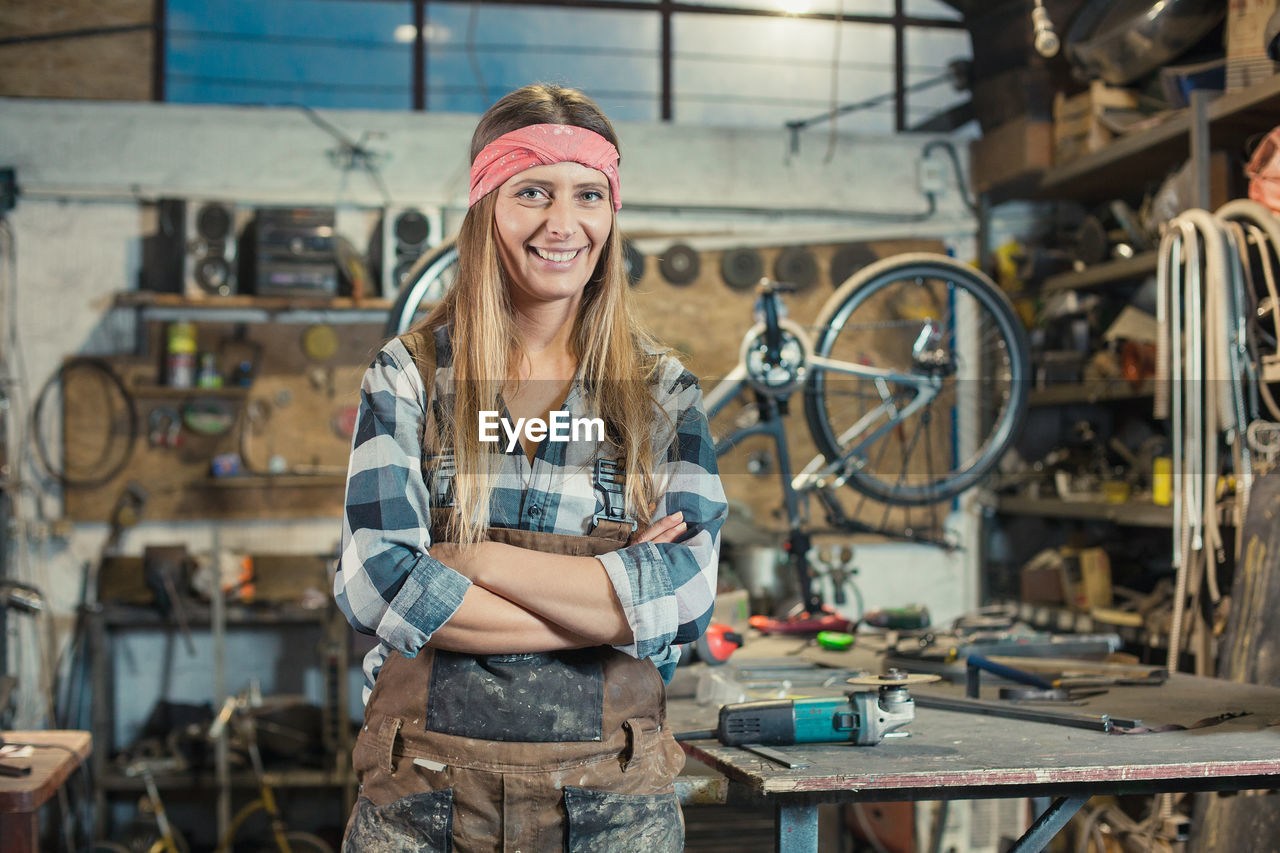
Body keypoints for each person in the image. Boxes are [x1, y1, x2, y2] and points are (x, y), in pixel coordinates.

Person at [333, 83, 727, 852]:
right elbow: (377, 582)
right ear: (486, 207)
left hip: (612, 808)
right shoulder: (409, 376)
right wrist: (612, 605)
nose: (563, 223)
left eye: (588, 194)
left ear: (612, 213)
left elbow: (685, 604)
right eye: (533, 191)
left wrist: (470, 559)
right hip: (425, 800)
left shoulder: (660, 392)